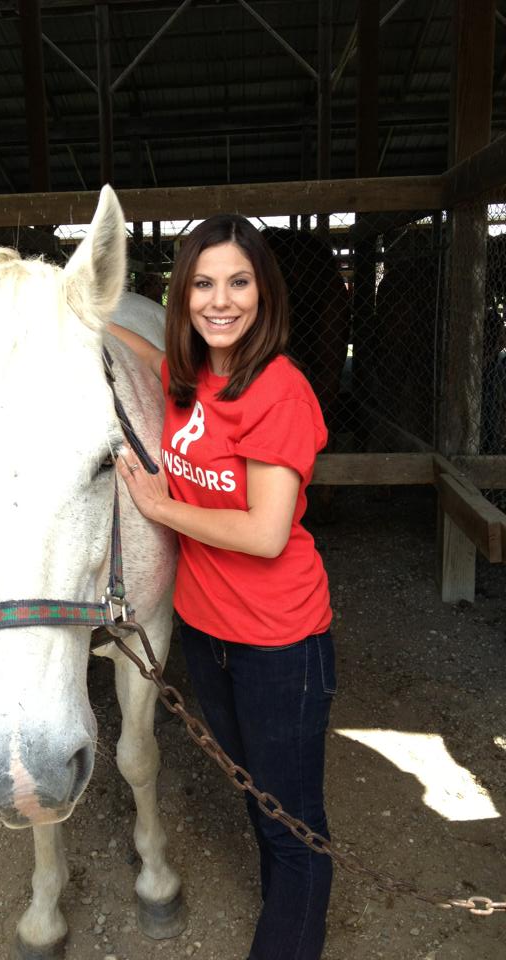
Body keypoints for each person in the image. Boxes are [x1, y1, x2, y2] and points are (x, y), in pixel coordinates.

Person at [109, 214, 335, 960]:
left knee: (292, 821)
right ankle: (287, 914)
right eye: (203, 284)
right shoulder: (189, 376)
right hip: (208, 635)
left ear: (264, 293)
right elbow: (131, 347)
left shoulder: (280, 392)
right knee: (256, 796)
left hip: (280, 641)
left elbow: (266, 533)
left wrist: (157, 506)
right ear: (182, 295)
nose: (220, 300)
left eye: (238, 282)